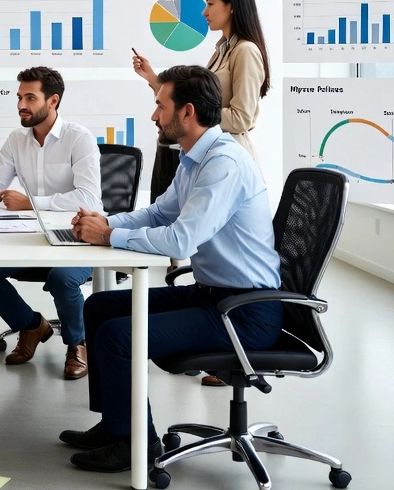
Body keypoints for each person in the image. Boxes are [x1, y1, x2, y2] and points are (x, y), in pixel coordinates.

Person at [60, 65, 283, 474]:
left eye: (160, 105)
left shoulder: (224, 163)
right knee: (100, 308)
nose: (153, 115)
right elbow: (160, 212)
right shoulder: (194, 158)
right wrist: (105, 222)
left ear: (187, 112)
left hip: (244, 312)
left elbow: (181, 240)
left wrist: (109, 237)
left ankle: (134, 446)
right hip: (213, 294)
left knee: (116, 335)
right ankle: (116, 425)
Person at [134, 0, 271, 388]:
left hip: (224, 157)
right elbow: (193, 101)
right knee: (181, 227)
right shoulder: (221, 48)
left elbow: (242, 115)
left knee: (198, 238)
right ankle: (214, 341)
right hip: (199, 153)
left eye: (210, 2)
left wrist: (203, 122)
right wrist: (157, 83)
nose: (203, 10)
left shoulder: (245, 51)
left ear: (232, 5)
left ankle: (226, 349)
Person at [0, 67, 102, 379]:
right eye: (19, 97)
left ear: (53, 101)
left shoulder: (78, 138)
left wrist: (31, 203)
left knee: (62, 279)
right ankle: (30, 326)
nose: (21, 105)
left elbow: (89, 199)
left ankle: (77, 343)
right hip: (31, 240)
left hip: (75, 239)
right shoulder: (17, 139)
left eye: (30, 97)